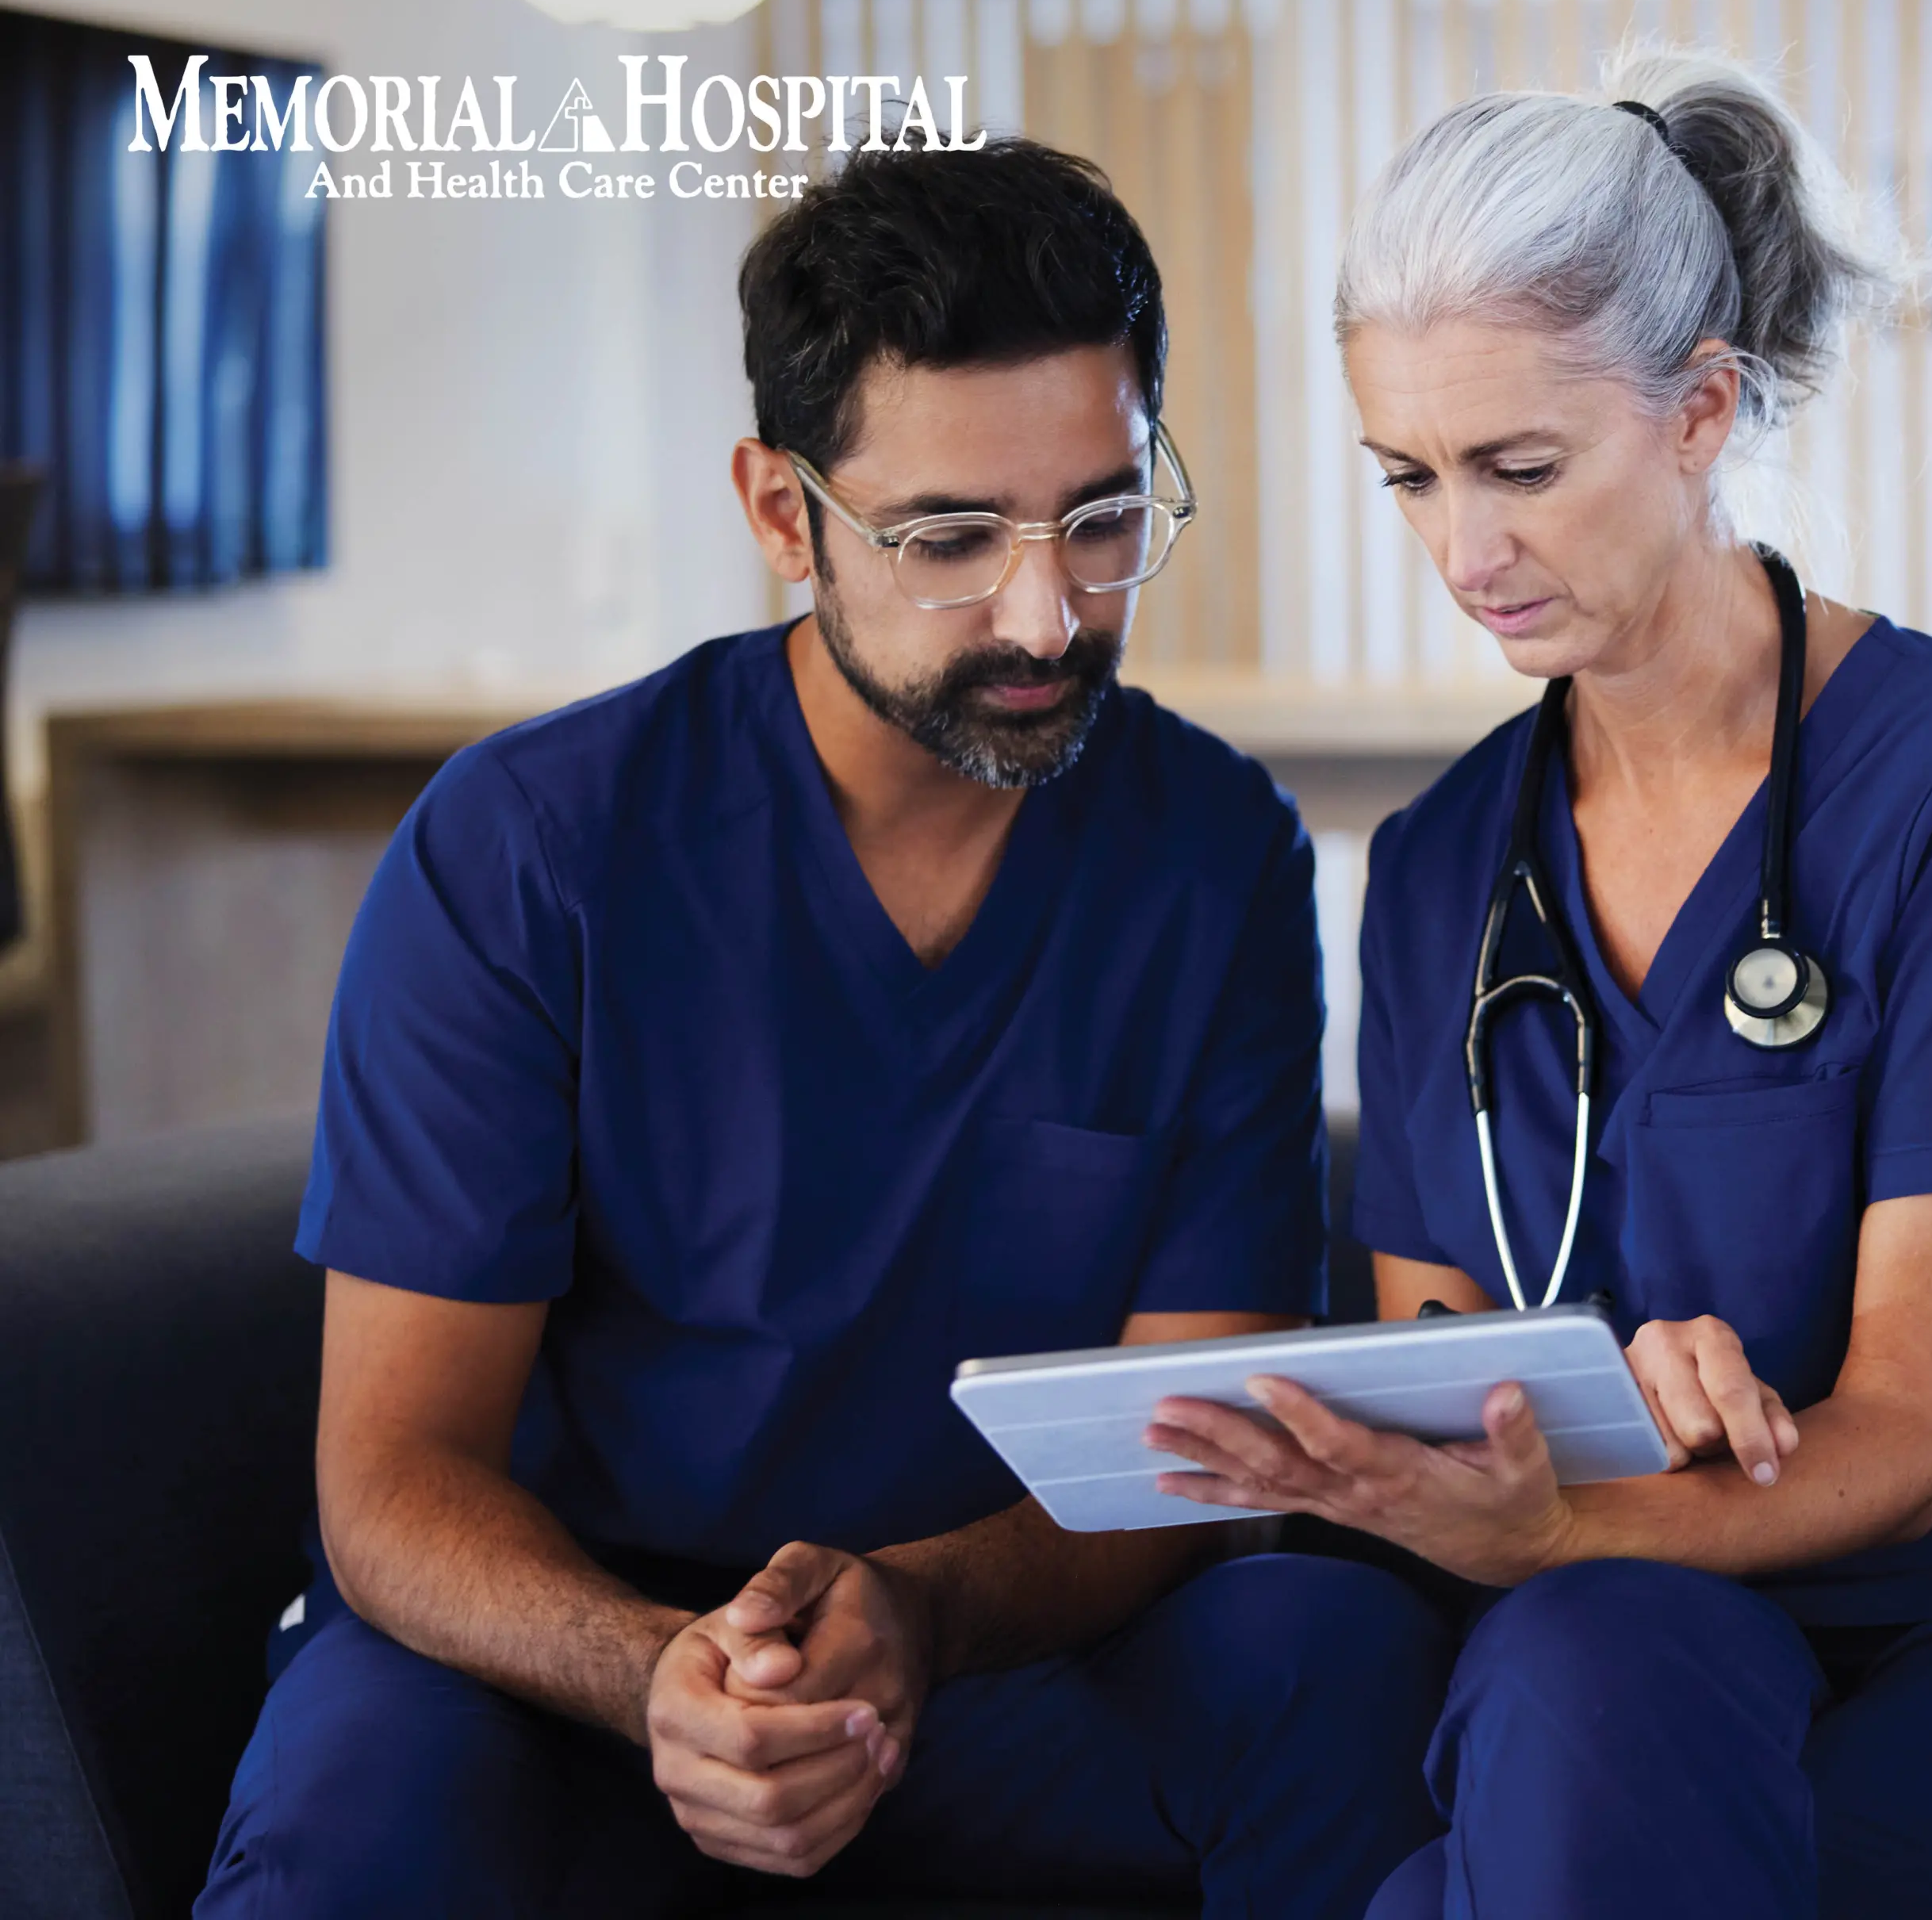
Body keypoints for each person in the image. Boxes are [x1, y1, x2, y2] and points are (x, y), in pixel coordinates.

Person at [194, 136, 1451, 1918]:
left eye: (1100, 518)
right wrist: (663, 1676)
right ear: (784, 513)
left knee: (1324, 1655)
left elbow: (1194, 1454)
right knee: (356, 1814)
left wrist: (920, 1614)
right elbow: (392, 1476)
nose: (1043, 612)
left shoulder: (1209, 856)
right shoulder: (528, 848)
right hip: (567, 1663)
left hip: (988, 1653)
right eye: (947, 537)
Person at [1145, 50, 1932, 1919]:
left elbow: (1910, 1436)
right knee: (1576, 1668)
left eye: (1519, 468)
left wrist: (1556, 1502)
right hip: (1608, 1619)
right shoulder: (1447, 863)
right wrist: (1479, 1456)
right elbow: (1439, 1358)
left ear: (1700, 408)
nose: (1462, 552)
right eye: (1408, 475)